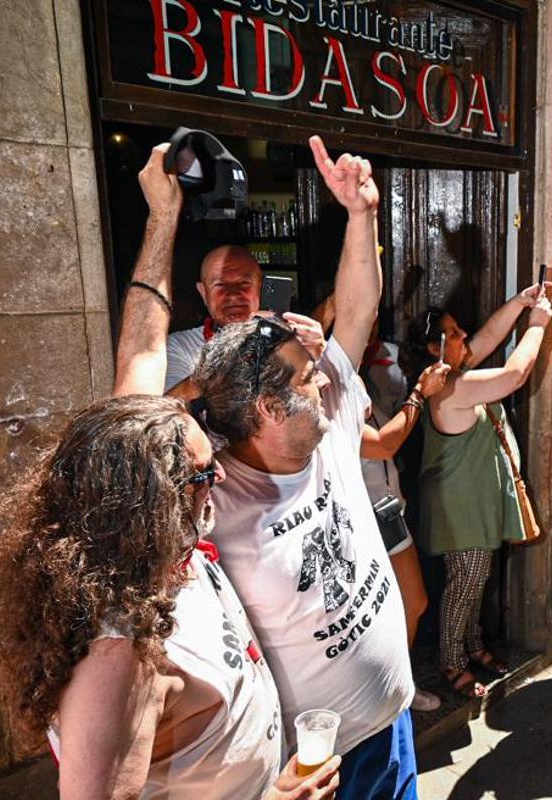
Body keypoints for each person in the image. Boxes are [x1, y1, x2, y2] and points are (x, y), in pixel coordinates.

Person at [0, 143, 338, 800]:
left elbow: (140, 351)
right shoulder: (119, 661)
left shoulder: (162, 553)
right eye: (199, 478)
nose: (218, 481)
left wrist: (163, 217)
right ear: (140, 505)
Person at [187, 138, 419, 798]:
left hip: (393, 726)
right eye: (305, 374)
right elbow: (133, 424)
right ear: (265, 408)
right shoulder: (218, 505)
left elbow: (358, 312)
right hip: (319, 767)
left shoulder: (332, 425)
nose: (325, 377)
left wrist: (361, 216)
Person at [405, 284, 552, 698]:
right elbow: (514, 375)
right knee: (466, 581)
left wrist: (519, 304)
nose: (464, 336)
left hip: (473, 501)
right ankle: (451, 659)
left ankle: (472, 644)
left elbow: (486, 337)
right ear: (436, 348)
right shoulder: (451, 389)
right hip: (461, 507)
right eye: (453, 334)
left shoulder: (454, 376)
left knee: (476, 577)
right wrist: (538, 325)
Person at [358, 332, 451, 713]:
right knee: (372, 616)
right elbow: (382, 443)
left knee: (413, 601)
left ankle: (399, 686)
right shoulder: (326, 391)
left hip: (388, 509)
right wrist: (420, 393)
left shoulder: (371, 374)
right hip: (361, 518)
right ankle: (380, 698)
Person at [165, 245, 263, 391]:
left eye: (244, 283)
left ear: (260, 288)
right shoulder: (180, 346)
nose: (233, 294)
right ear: (204, 293)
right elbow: (171, 407)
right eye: (220, 285)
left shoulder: (287, 342)